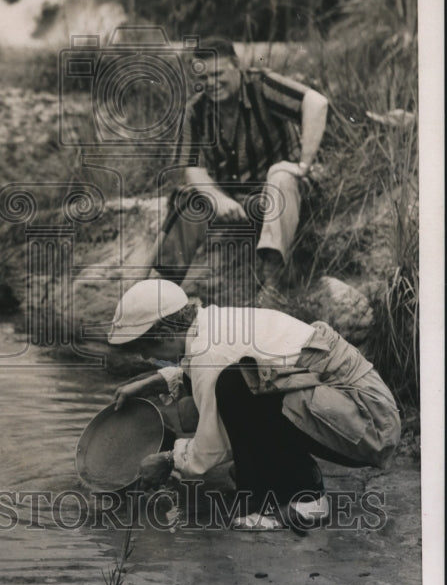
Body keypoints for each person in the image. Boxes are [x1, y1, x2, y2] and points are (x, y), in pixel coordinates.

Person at [107, 279, 401, 530]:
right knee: (214, 397)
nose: (146, 357)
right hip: (344, 403)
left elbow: (212, 446)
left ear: (166, 332)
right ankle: (270, 477)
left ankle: (308, 499)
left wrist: (168, 460)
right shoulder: (208, 324)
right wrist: (156, 381)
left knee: (233, 387)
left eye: (146, 347)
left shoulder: (212, 353)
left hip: (370, 421)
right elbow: (200, 372)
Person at [157, 37, 328, 300]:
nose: (211, 84)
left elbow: (316, 103)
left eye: (218, 74)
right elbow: (191, 167)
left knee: (280, 177)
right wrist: (218, 199)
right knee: (188, 201)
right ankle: (162, 293)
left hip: (283, 195)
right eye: (204, 77)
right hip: (238, 202)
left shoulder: (261, 85)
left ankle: (273, 286)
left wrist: (303, 165)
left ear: (236, 65)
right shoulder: (195, 111)